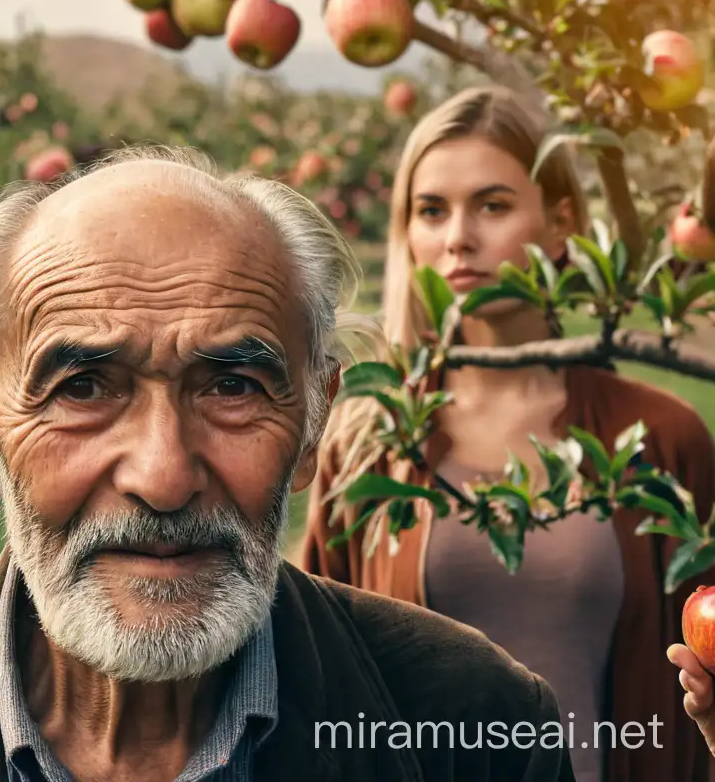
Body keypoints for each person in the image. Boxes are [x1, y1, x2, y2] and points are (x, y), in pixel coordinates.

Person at [0, 144, 576, 782]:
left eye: (232, 385)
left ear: (310, 426)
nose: (163, 475)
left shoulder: (478, 731)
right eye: (82, 386)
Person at [300, 84, 715, 782]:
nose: (458, 235)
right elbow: (310, 668)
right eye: (431, 211)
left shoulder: (661, 439)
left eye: (492, 205)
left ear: (560, 224)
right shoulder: (369, 440)